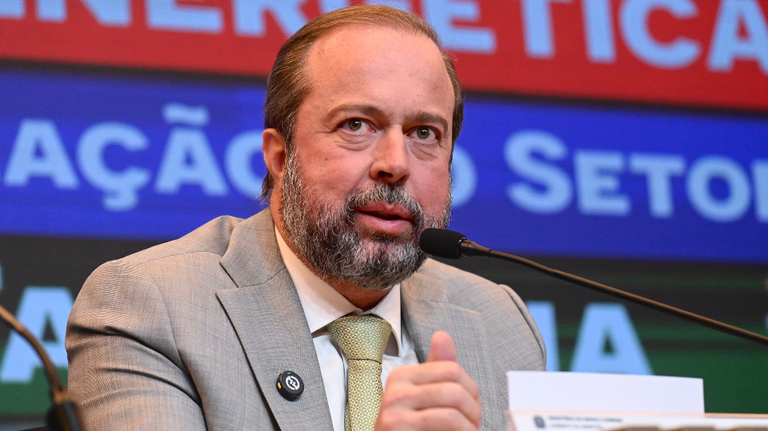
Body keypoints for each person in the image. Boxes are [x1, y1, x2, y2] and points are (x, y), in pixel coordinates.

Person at [66, 5, 546, 431]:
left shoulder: (500, 323)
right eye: (356, 125)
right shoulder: (152, 309)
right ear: (280, 156)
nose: (396, 163)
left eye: (424, 133)